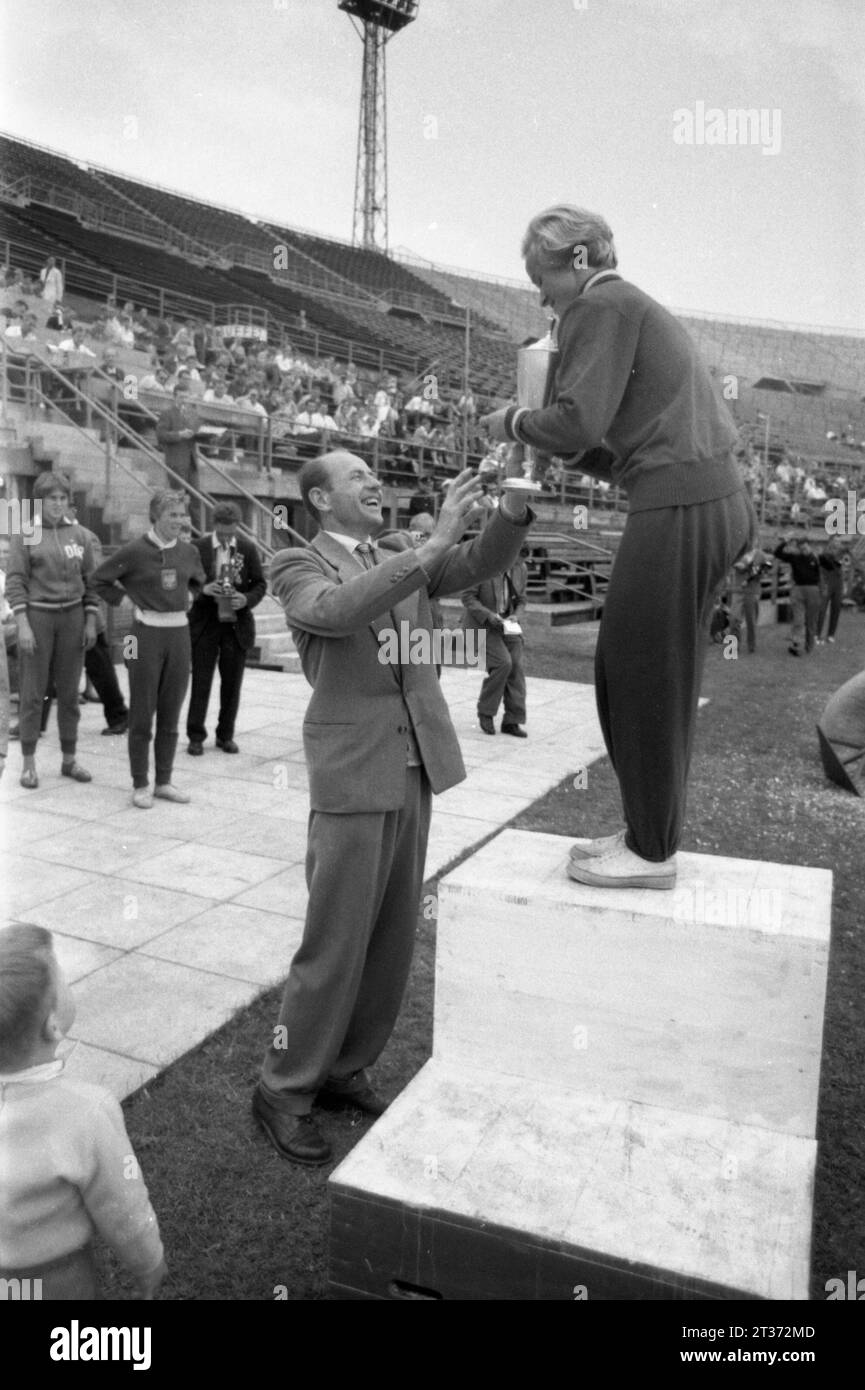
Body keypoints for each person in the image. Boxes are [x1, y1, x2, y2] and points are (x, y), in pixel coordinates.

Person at [252, 451, 532, 1164]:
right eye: (355, 478)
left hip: (414, 763)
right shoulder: (294, 562)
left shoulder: (400, 551)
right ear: (318, 499)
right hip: (352, 768)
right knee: (335, 939)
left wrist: (509, 511)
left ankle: (345, 1069)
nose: (373, 482)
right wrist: (432, 544)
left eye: (373, 475)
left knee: (391, 934)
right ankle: (284, 1088)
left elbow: (476, 562)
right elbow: (336, 611)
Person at [481, 204, 753, 890]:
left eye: (538, 275)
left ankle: (652, 850)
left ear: (576, 260)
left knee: (640, 674)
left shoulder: (600, 307)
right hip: (691, 495)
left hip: (685, 500)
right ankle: (646, 831)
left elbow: (575, 419)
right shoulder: (620, 307)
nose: (537, 294)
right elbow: (596, 441)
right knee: (634, 670)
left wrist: (510, 418)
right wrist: (557, 450)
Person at [0, 924, 165, 1300]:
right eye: (63, 980)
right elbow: (122, 1205)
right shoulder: (87, 1114)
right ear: (52, 1025)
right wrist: (148, 1262)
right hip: (57, 1280)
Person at [91, 491, 205, 809]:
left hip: (179, 634)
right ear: (155, 517)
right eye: (173, 515)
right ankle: (140, 783)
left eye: (183, 515)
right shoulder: (134, 551)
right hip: (140, 636)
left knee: (171, 711)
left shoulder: (189, 551)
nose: (180, 521)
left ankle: (164, 781)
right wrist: (124, 600)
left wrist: (193, 596)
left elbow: (198, 581)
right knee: (142, 712)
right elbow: (98, 580)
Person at [5, 473, 98, 790]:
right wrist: (23, 623)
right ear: (39, 501)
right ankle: (28, 764)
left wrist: (89, 619)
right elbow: (15, 581)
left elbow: (91, 582)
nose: (58, 505)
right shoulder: (26, 533)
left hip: (72, 618)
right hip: (38, 618)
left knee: (70, 695)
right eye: (51, 499)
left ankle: (69, 759)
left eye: (62, 498)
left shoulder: (80, 535)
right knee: (33, 694)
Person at [186, 503, 266, 756]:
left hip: (236, 625)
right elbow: (186, 581)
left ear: (237, 528)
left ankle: (225, 735)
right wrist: (202, 590)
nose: (225, 538)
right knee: (201, 681)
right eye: (221, 534)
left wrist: (246, 600)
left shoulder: (247, 548)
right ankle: (195, 736)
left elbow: (260, 584)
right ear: (213, 527)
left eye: (230, 534)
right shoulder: (197, 547)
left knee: (232, 684)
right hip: (206, 623)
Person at [461, 548, 529, 736]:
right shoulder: (484, 566)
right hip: (481, 624)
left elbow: (522, 599)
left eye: (521, 563)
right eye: (515, 562)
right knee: (502, 663)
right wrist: (489, 616)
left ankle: (512, 720)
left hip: (507, 624)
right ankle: (486, 711)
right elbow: (467, 597)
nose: (518, 566)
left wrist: (516, 615)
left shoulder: (521, 568)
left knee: (516, 665)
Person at [155, 384, 203, 525]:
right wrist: (179, 434)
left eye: (186, 397)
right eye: (181, 397)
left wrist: (205, 436)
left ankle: (197, 533)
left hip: (191, 461)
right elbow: (161, 435)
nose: (184, 400)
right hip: (176, 460)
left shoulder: (191, 414)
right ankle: (182, 530)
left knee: (196, 498)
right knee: (178, 498)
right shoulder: (167, 413)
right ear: (174, 396)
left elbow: (196, 433)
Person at [773, 534, 820, 655]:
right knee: (798, 619)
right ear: (799, 548)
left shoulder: (815, 559)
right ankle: (796, 645)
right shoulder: (795, 557)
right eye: (801, 548)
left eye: (805, 547)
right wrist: (785, 542)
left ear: (809, 546)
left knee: (811, 620)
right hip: (798, 589)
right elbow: (777, 553)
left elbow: (820, 577)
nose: (804, 550)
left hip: (813, 590)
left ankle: (809, 646)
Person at [727, 545, 771, 654]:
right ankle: (733, 647)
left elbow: (765, 571)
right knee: (733, 619)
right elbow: (731, 563)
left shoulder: (760, 555)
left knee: (751, 621)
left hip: (752, 591)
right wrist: (738, 565)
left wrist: (755, 572)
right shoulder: (738, 552)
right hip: (738, 589)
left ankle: (752, 646)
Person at [817, 536, 844, 644]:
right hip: (827, 582)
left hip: (838, 583)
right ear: (830, 542)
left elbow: (844, 564)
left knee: (836, 608)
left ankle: (831, 634)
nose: (838, 543)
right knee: (822, 609)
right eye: (836, 541)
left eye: (839, 542)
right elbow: (826, 564)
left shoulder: (841, 553)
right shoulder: (824, 554)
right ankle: (817, 634)